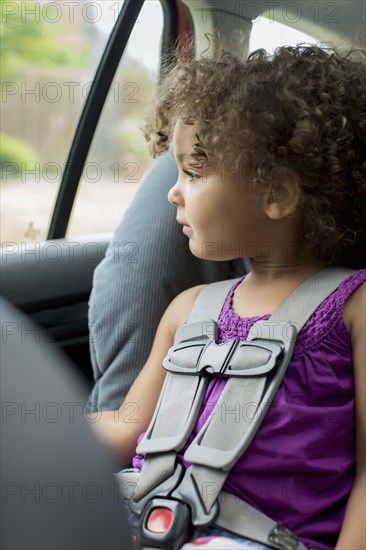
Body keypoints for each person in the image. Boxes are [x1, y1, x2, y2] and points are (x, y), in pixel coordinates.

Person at [91, 44, 366, 549]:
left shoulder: (354, 309)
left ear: (277, 194)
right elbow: (128, 428)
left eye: (193, 173)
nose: (173, 192)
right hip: (145, 515)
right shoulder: (188, 309)